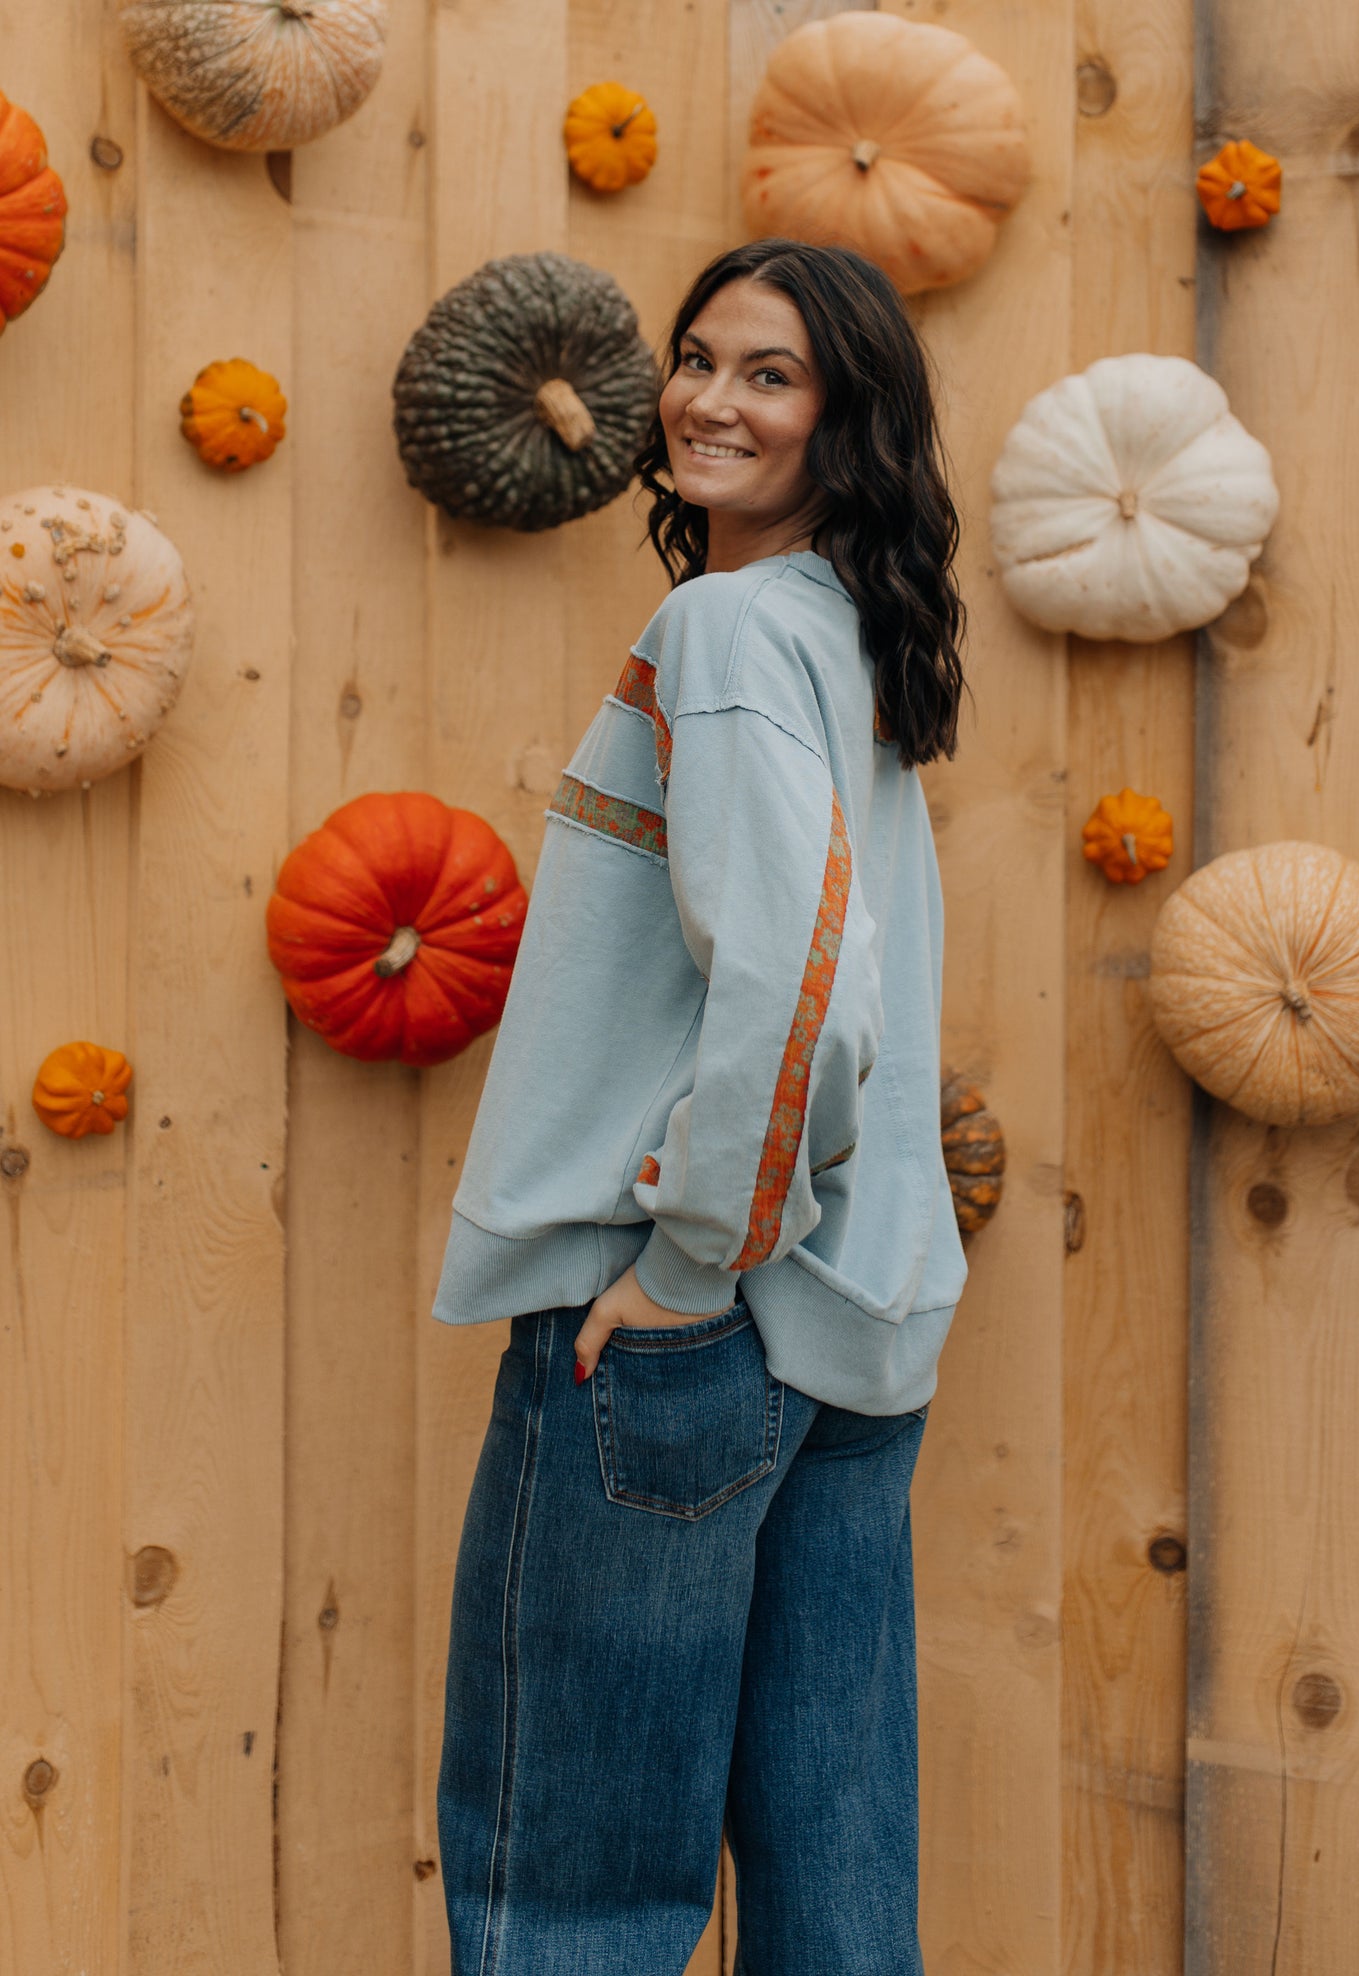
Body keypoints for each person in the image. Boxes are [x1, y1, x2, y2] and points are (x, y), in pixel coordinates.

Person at [432, 236, 970, 1976]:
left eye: (768, 374)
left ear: (845, 423)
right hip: (853, 1336)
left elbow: (794, 984)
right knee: (835, 1906)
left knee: (569, 1896)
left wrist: (681, 1265)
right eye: (695, 357)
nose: (704, 399)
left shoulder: (729, 626)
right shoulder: (841, 639)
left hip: (689, 1328)